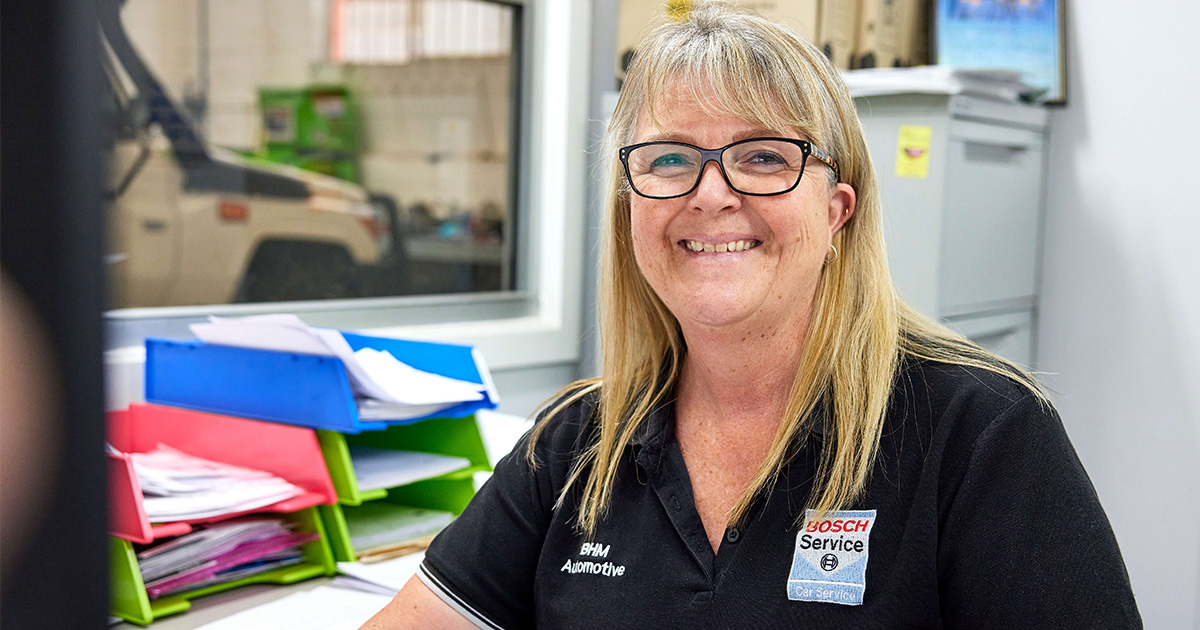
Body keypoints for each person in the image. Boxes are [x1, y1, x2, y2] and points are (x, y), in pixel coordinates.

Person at [363, 2, 1141, 627]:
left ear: (838, 211)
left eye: (764, 156)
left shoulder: (981, 433)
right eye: (668, 158)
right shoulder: (576, 443)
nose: (710, 194)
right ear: (629, 210)